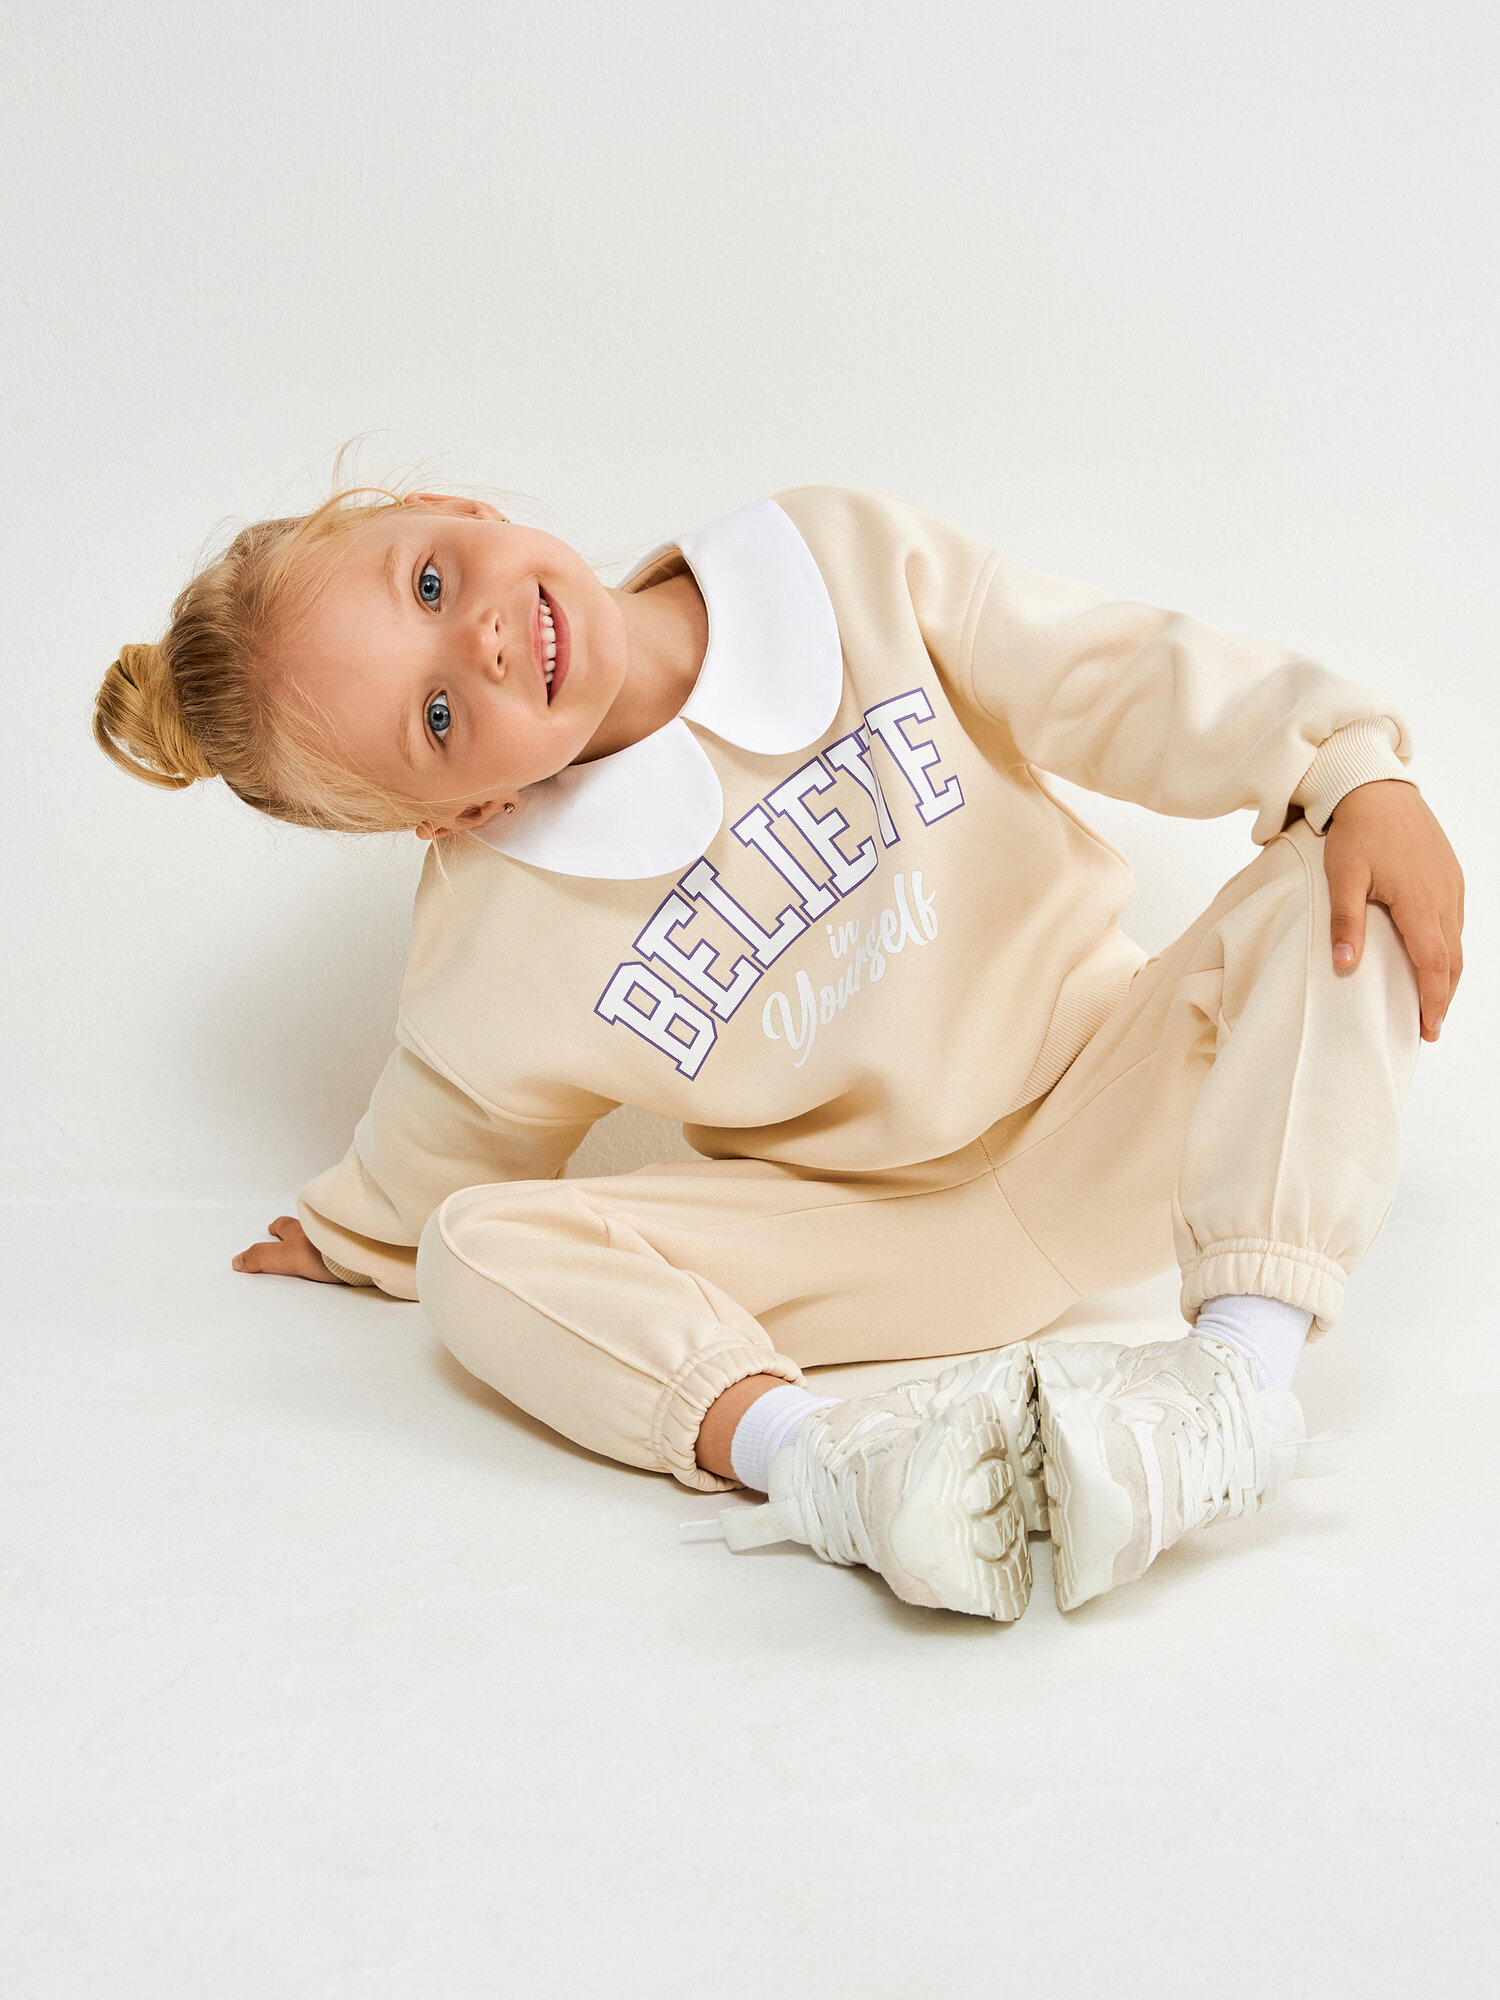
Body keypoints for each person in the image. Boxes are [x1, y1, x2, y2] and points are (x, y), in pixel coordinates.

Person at [93, 477, 1463, 1620]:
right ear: (459, 813)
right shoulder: (493, 925)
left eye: (434, 585)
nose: (487, 646)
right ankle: (843, 1469)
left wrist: (1346, 766)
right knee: (472, 1247)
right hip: (875, 1246)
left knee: (1340, 876)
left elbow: (1114, 674)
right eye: (438, 718)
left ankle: (1229, 1389)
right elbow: (449, 1122)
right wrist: (358, 1236)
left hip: (1113, 1109)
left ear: (458, 509)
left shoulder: (840, 567)